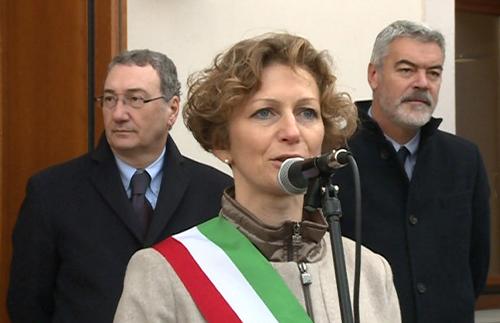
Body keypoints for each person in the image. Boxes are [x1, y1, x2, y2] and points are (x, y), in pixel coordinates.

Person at [113, 33, 401, 322]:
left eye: (307, 113)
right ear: (222, 141)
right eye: (265, 113)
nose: (292, 131)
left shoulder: (370, 274)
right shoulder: (165, 273)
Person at [7, 49, 233, 323]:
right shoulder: (52, 191)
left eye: (135, 99)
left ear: (172, 109)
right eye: (110, 99)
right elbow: (28, 304)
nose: (118, 114)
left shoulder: (215, 193)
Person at [332, 20, 491, 323]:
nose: (422, 83)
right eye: (406, 70)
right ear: (374, 75)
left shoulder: (464, 158)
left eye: (433, 72)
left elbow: (476, 260)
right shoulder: (333, 156)